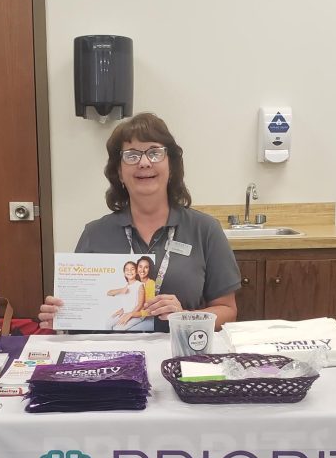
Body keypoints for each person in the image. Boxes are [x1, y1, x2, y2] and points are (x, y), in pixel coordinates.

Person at [38, 112, 239, 331]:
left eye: (155, 153)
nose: (144, 162)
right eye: (131, 155)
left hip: (180, 347)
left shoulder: (205, 230)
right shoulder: (94, 234)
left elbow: (227, 311)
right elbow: (81, 321)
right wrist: (63, 315)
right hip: (114, 351)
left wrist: (186, 318)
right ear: (119, 172)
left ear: (171, 166)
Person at [105, 260, 146, 330]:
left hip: (136, 314)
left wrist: (129, 315)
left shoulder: (139, 285)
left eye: (132, 269)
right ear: (124, 273)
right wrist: (123, 309)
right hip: (126, 312)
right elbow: (109, 293)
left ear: (136, 271)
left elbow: (140, 304)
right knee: (108, 323)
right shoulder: (125, 286)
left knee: (118, 328)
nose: (129, 271)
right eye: (127, 269)